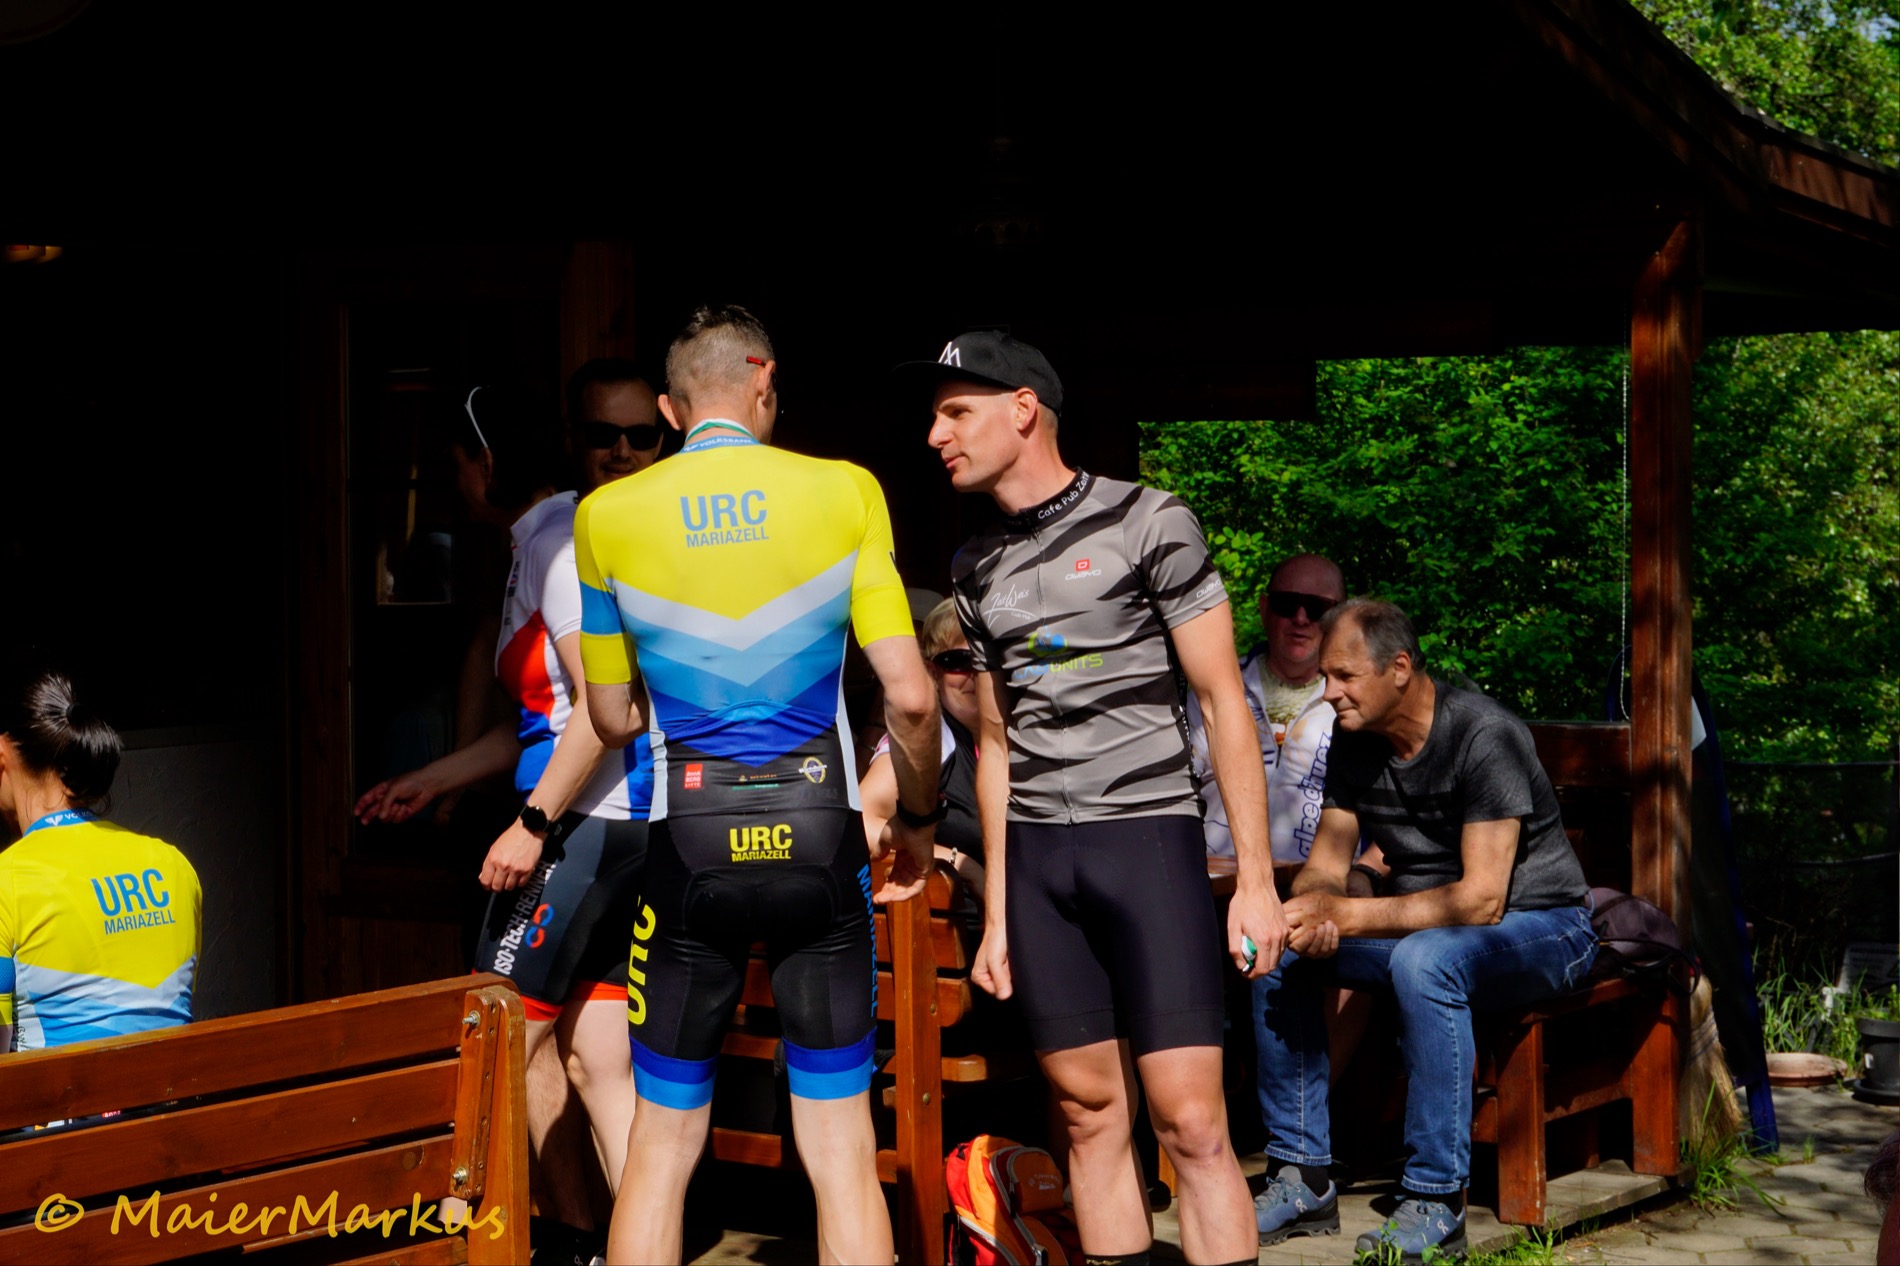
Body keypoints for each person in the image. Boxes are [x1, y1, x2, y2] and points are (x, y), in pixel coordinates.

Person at [903, 329, 1284, 1266]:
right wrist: (998, 916)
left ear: (1022, 409)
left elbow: (1224, 702)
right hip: (1040, 864)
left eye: (956, 413)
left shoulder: (1152, 521)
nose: (936, 435)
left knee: (1192, 1123)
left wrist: (1257, 882)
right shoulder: (974, 564)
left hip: (1147, 844)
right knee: (1085, 1113)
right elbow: (995, 744)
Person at [577, 305, 940, 1265]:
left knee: (660, 1149)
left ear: (669, 409)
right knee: (841, 1149)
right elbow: (912, 699)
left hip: (688, 841)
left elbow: (610, 717)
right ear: (766, 382)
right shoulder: (846, 490)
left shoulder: (606, 513)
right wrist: (918, 816)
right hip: (820, 835)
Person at [354, 363, 664, 1260]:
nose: (455, 482)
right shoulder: (543, 539)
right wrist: (434, 779)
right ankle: (610, 1246)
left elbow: (605, 710)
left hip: (585, 830)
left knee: (492, 1039)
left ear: (486, 462)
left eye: (457, 463)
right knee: (596, 1061)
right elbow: (540, 720)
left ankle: (475, 1241)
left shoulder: (560, 544)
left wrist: (532, 825)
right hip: (611, 827)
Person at [1253, 598, 1598, 1259]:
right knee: (1282, 953)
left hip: (1545, 927)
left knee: (1425, 962)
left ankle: (1437, 1201)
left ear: (1400, 669)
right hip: (1429, 933)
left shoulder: (1483, 735)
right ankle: (1301, 1177)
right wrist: (1314, 911)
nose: (1328, 693)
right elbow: (1326, 862)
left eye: (1344, 676)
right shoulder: (1354, 740)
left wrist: (1349, 914)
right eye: (1325, 676)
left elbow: (1481, 900)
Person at [0, 670, 201, 1054]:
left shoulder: (5, 880)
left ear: (2, 755)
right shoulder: (174, 866)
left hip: (57, 1095)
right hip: (173, 1093)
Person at [1186, 553, 1345, 870]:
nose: (1301, 618)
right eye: (1287, 604)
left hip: (1321, 886)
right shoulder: (1215, 688)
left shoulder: (1357, 700)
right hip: (1219, 879)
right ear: (1264, 608)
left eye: (1317, 608)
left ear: (1341, 618)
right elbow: (1175, 792)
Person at [859, 597, 984, 902]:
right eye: (957, 661)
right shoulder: (932, 741)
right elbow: (859, 825)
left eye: (986, 660)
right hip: (961, 921)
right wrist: (959, 863)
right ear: (932, 673)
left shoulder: (1029, 733)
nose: (975, 673)